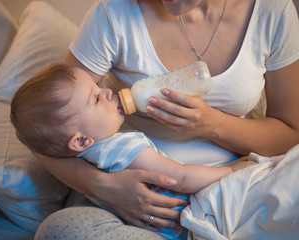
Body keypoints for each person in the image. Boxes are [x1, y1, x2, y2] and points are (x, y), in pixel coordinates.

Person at [33, 0, 299, 239]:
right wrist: (105, 186)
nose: (106, 91)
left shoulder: (272, 12)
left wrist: (212, 124)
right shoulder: (114, 12)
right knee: (59, 230)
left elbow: (290, 133)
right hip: (129, 195)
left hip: (230, 188)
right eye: (96, 97)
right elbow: (47, 132)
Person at [10, 63, 256, 239]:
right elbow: (180, 178)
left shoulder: (89, 156)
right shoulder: (122, 149)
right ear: (81, 140)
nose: (106, 91)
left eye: (98, 86)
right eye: (95, 99)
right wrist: (231, 169)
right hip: (179, 224)